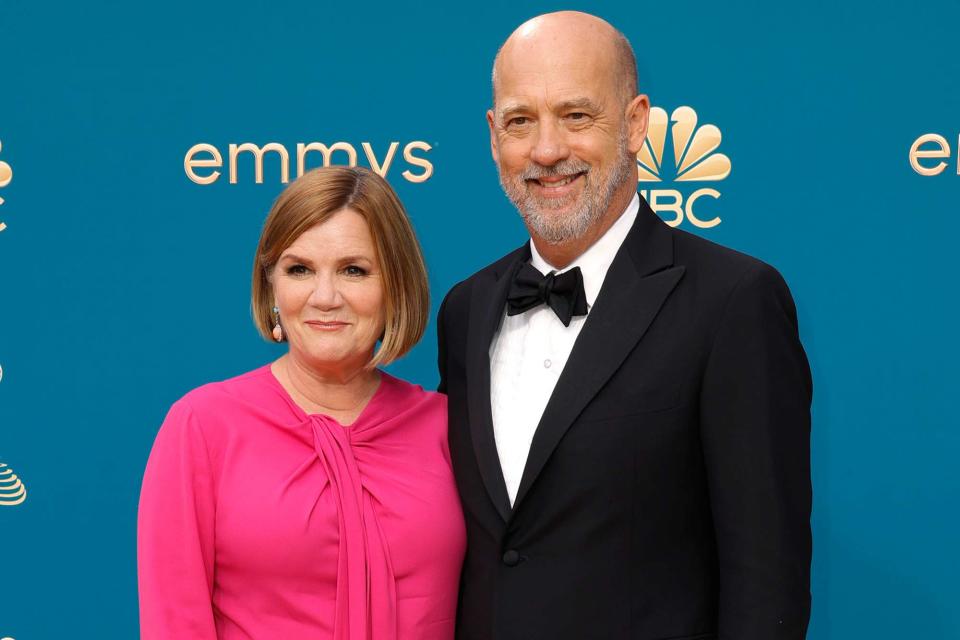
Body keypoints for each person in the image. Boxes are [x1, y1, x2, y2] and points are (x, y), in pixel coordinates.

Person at [437, 11, 812, 640]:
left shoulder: (733, 301)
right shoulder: (465, 310)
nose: (547, 149)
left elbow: (764, 579)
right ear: (492, 135)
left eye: (576, 116)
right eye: (520, 121)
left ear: (636, 122)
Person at [138, 166, 465, 639]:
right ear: (271, 286)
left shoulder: (449, 427)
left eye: (354, 270)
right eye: (300, 270)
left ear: (394, 285)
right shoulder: (203, 426)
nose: (325, 296)